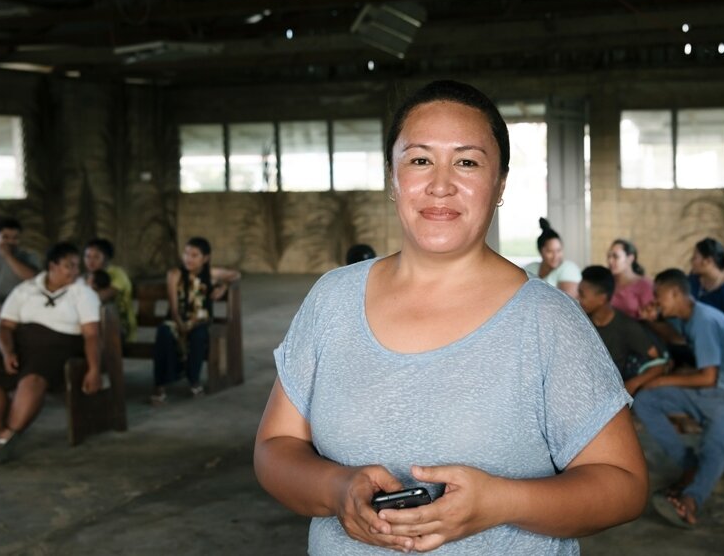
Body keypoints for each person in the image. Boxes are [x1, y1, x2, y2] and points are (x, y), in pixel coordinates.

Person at [254, 80, 647, 554]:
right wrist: (336, 490)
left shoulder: (547, 320)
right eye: (420, 160)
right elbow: (274, 447)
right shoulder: (331, 301)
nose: (440, 185)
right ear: (393, 177)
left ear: (499, 184)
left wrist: (501, 501)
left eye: (467, 162)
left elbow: (624, 485)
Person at [633, 268, 724, 529]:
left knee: (713, 447)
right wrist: (652, 320)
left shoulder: (703, 320)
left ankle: (690, 501)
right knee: (645, 401)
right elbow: (675, 337)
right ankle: (689, 465)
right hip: (704, 393)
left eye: (659, 295)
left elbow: (709, 377)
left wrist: (661, 380)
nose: (655, 300)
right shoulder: (689, 316)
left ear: (676, 293)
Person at [0, 242, 102, 465]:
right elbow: (5, 326)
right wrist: (7, 352)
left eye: (76, 266)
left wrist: (94, 369)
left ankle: (9, 434)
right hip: (21, 345)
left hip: (60, 347)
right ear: (52, 266)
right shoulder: (26, 289)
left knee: (33, 379)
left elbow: (91, 335)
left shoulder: (83, 293)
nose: (75, 271)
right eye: (68, 266)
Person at [151, 237, 240, 404]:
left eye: (194, 255)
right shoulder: (175, 274)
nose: (188, 259)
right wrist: (180, 324)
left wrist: (223, 287)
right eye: (186, 254)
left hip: (200, 322)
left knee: (199, 335)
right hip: (176, 320)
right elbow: (173, 307)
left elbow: (235, 274)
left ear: (205, 258)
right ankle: (160, 385)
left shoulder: (210, 274)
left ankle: (194, 380)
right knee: (164, 332)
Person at [578, 265, 668, 396]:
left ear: (602, 298)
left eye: (582, 295)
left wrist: (633, 384)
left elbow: (659, 364)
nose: (578, 299)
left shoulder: (627, 327)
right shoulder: (580, 322)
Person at [82, 238, 136, 343]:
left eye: (96, 257)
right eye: (87, 256)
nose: (90, 261)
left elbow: (100, 298)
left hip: (120, 327)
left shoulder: (117, 274)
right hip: (95, 325)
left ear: (106, 258)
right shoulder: (86, 277)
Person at [524, 218, 581, 299]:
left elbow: (566, 302)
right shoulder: (530, 268)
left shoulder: (568, 269)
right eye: (550, 251)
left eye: (559, 250)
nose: (555, 256)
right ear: (540, 251)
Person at [606, 239, 653, 319]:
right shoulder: (606, 283)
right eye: (609, 256)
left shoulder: (645, 285)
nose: (610, 261)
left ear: (630, 258)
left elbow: (650, 315)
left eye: (615, 256)